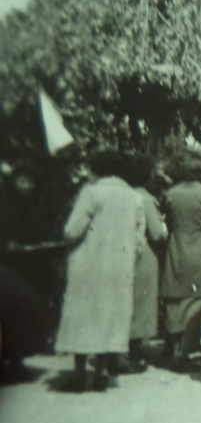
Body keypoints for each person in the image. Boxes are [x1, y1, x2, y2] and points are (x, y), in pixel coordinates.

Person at [55, 150, 145, 392]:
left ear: (95, 168)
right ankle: (102, 372)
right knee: (110, 316)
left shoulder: (91, 193)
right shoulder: (133, 197)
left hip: (89, 265)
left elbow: (72, 230)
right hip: (119, 268)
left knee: (83, 317)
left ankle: (80, 372)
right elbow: (139, 238)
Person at [0, 161, 61, 378]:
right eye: (21, 181)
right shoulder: (5, 203)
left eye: (29, 182)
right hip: (10, 267)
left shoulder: (40, 204)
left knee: (29, 314)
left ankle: (18, 359)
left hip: (35, 267)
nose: (25, 186)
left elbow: (48, 229)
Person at [161, 150, 201, 370]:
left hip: (176, 249)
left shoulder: (170, 194)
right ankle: (188, 349)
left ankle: (175, 351)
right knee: (197, 302)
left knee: (176, 302)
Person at [128, 153, 167, 373]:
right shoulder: (144, 197)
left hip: (126, 254)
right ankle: (135, 351)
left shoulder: (126, 194)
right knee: (141, 303)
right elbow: (157, 233)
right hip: (145, 256)